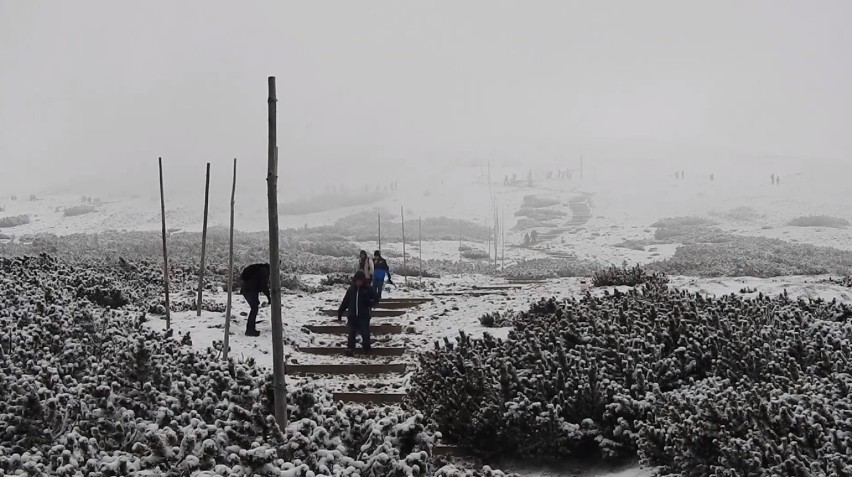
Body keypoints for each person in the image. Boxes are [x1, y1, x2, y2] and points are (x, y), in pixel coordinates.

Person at [337, 271, 378, 356]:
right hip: (352, 316)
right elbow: (345, 302)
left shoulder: (368, 289)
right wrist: (340, 312)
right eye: (357, 280)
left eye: (360, 281)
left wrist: (370, 303)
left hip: (364, 316)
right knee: (351, 333)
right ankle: (350, 349)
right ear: (355, 280)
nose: (359, 282)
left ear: (363, 281)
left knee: (365, 333)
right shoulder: (351, 289)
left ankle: (367, 349)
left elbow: (376, 298)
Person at [240, 263, 270, 337]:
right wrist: (269, 297)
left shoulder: (262, 268)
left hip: (248, 289)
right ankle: (250, 330)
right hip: (250, 290)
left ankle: (251, 329)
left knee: (254, 307)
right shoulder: (264, 270)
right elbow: (264, 285)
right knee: (254, 308)